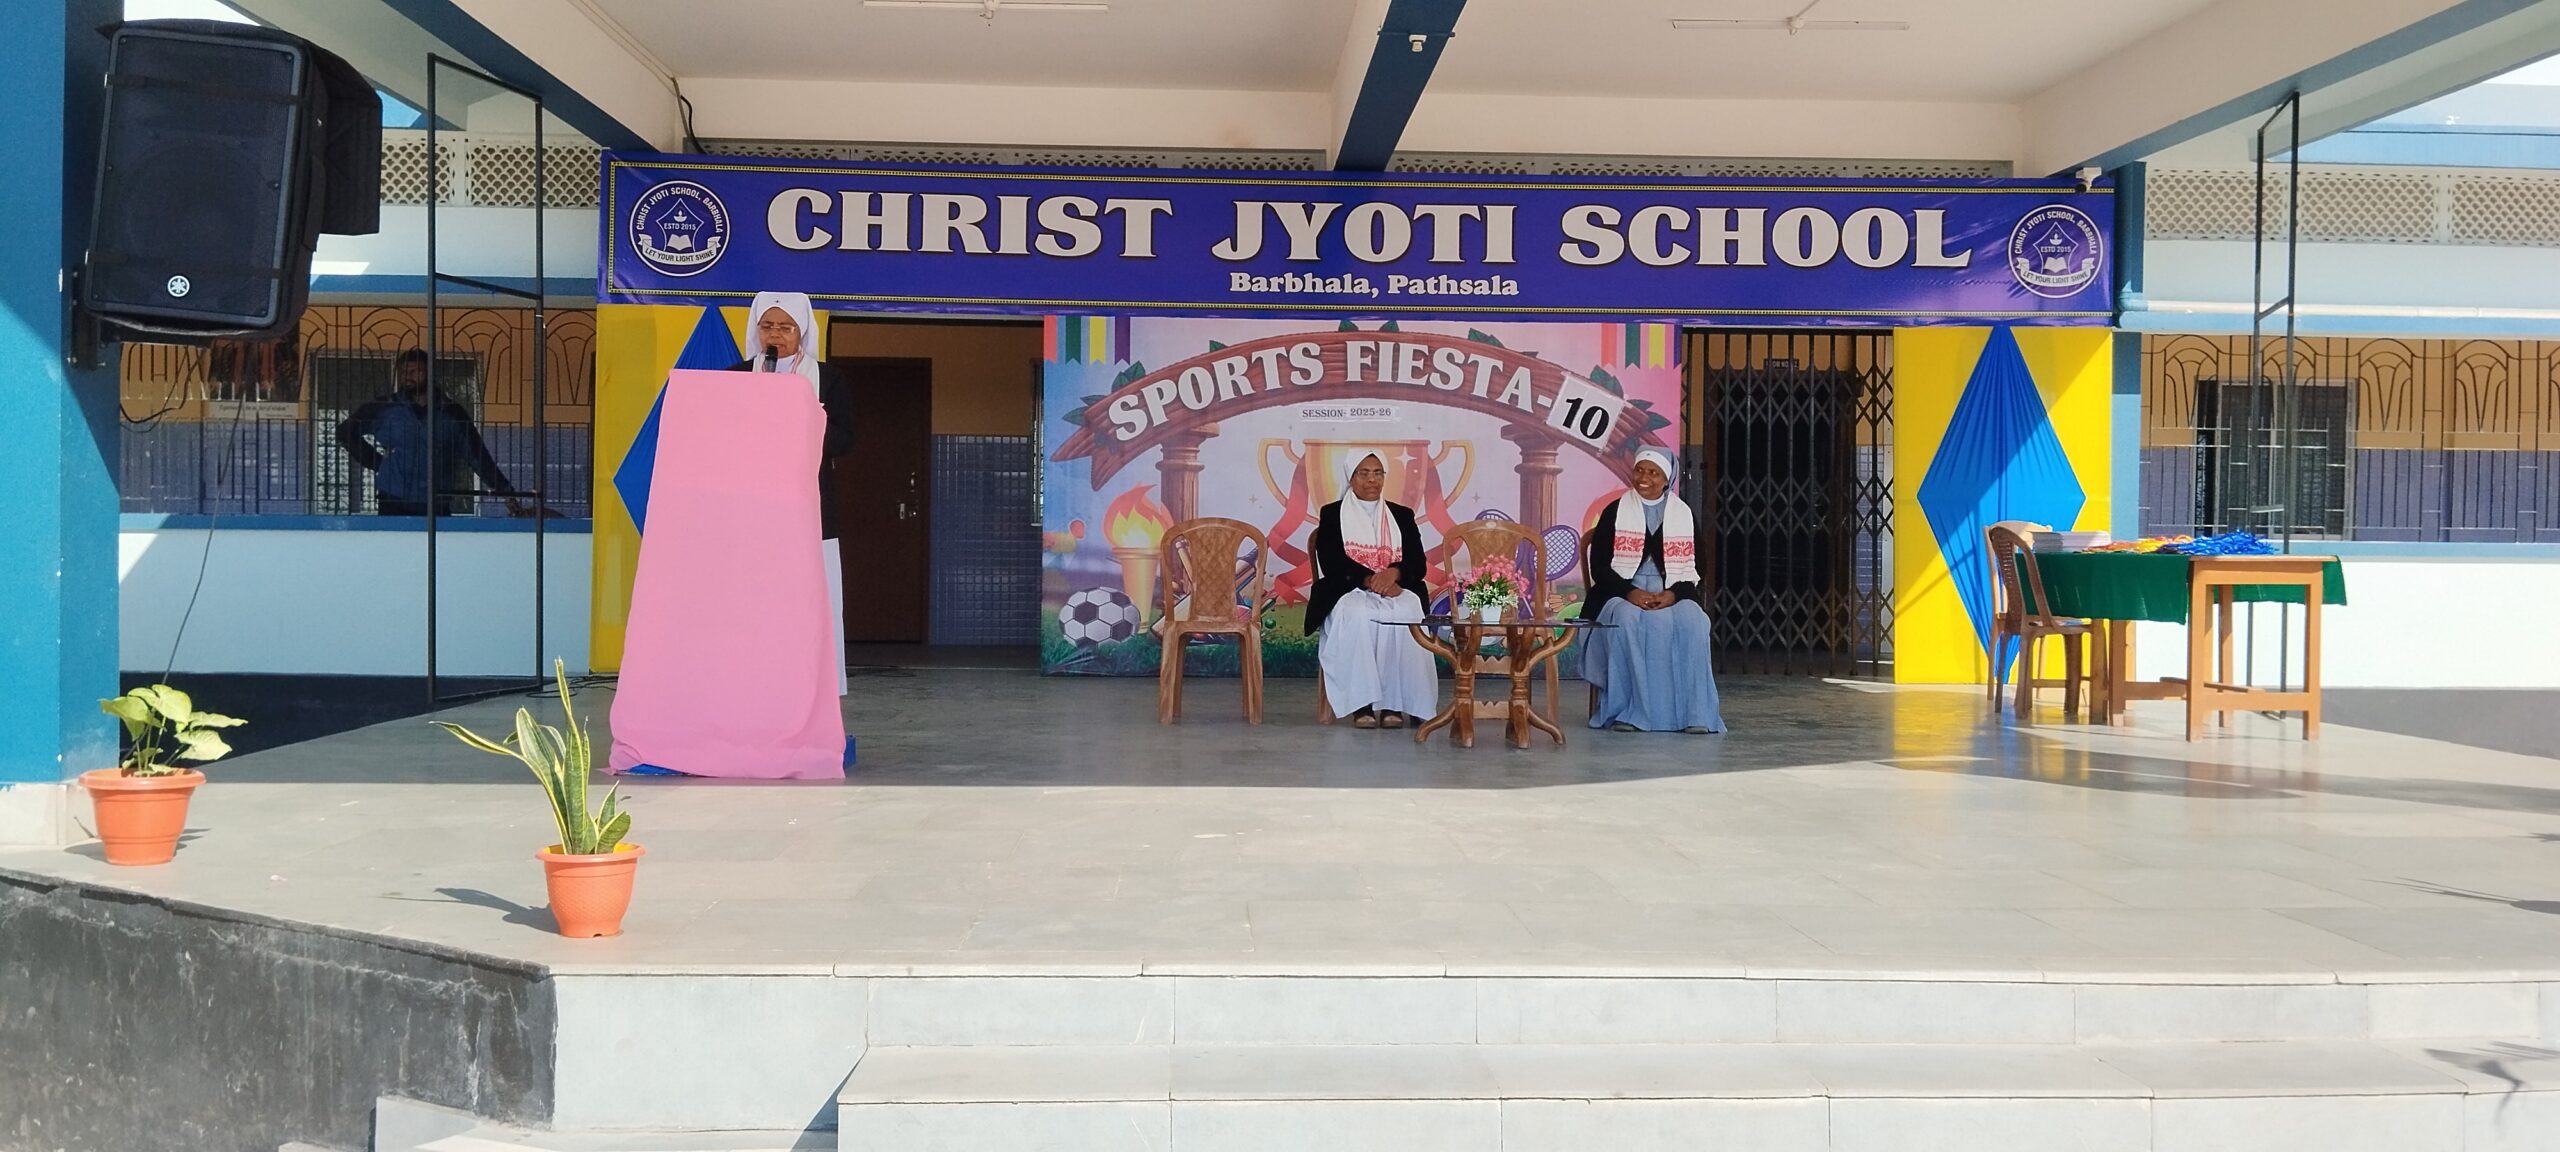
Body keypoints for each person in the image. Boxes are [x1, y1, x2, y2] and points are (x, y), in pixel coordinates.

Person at [1579, 448, 1726, 734]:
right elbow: (1600, 567)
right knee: (1625, 620)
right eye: (1639, 470)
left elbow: (1698, 567)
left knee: (1694, 621)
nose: (1644, 477)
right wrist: (1629, 592)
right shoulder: (1615, 511)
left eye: (1653, 472)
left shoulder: (1683, 514)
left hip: (1671, 591)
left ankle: (1695, 714)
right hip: (1619, 592)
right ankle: (1628, 713)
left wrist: (1673, 594)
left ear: (1666, 479)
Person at [1304, 452, 1438, 729]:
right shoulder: (1332, 513)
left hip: (1396, 587)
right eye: (1363, 473)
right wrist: (1369, 580)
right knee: (1358, 613)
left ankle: (1396, 705)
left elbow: (1418, 562)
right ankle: (1361, 705)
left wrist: (1394, 573)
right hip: (1348, 588)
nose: (1371, 480)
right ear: (1351, 477)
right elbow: (1331, 561)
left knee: (1407, 610)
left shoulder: (1402, 515)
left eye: (1377, 473)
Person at [335, 349, 522, 516]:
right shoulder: (384, 408)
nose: (408, 377)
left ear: (430, 374)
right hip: (392, 500)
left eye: (415, 371)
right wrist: (377, 462)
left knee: (435, 546)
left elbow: (477, 456)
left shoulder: (451, 412)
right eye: (403, 372)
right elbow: (345, 432)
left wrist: (505, 491)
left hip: (436, 502)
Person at [728, 291, 856, 532]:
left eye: (786, 328)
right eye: (767, 326)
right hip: (749, 494)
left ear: (801, 331)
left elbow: (845, 440)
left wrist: (805, 419)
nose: (774, 334)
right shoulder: (735, 376)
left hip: (808, 496)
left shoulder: (828, 378)